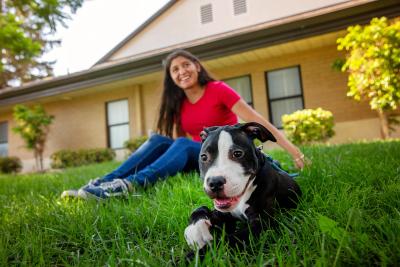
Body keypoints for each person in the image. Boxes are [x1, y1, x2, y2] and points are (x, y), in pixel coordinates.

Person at [61, 49, 306, 200]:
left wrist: (294, 152)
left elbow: (258, 121)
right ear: (172, 78)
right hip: (201, 162)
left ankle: (128, 186)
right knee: (159, 140)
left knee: (182, 143)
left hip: (224, 160)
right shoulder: (178, 103)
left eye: (186, 65)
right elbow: (175, 150)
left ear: (197, 67)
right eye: (175, 70)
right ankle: (103, 182)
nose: (181, 71)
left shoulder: (218, 90)